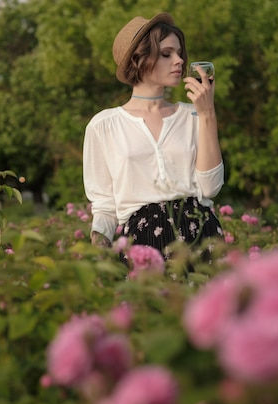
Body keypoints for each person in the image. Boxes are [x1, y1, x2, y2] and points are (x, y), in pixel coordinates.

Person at [83, 12, 224, 259]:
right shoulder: (104, 125)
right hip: (143, 244)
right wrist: (98, 264)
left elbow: (210, 188)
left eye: (180, 53)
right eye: (166, 54)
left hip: (201, 235)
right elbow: (105, 207)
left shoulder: (194, 115)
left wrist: (208, 114)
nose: (179, 60)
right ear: (140, 59)